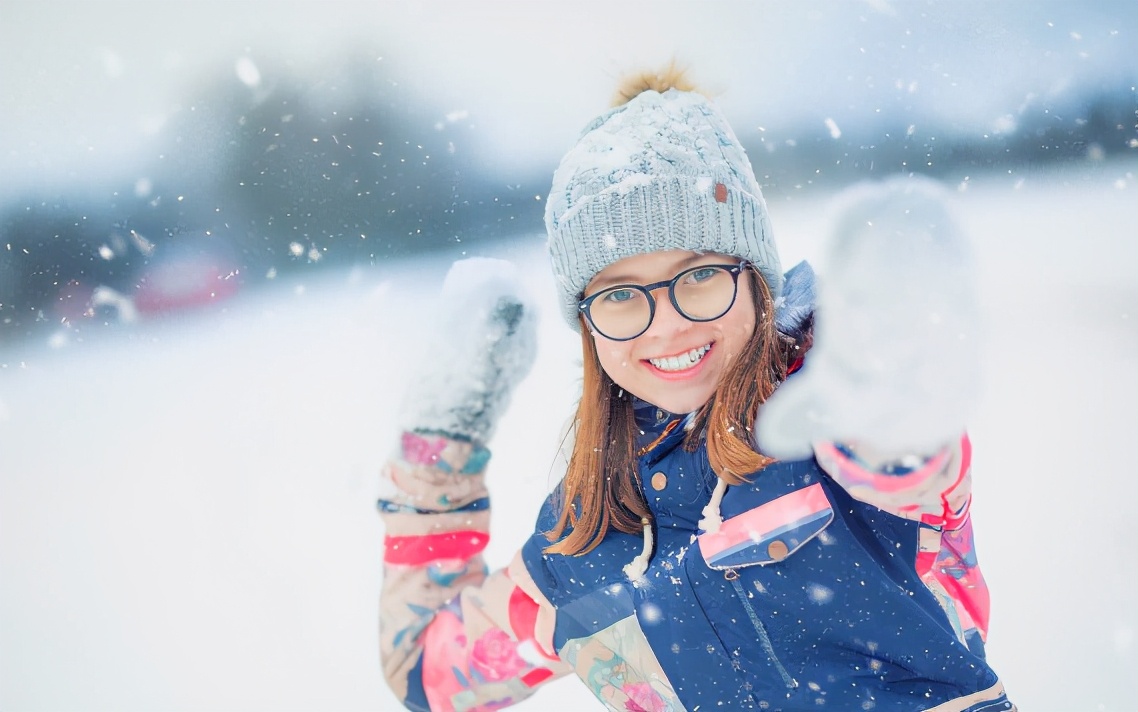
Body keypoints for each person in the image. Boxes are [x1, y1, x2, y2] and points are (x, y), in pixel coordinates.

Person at [377, 70, 1014, 712]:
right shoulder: (583, 536)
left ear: (755, 277)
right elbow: (428, 676)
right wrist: (441, 444)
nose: (668, 324)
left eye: (700, 274)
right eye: (621, 294)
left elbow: (907, 462)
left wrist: (891, 400)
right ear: (587, 323)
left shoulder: (828, 412)